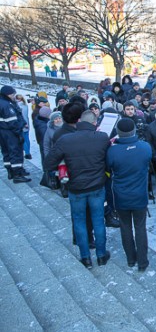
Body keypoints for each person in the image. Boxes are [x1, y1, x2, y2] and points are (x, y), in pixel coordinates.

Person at [45, 110, 111, 268]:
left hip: (76, 188)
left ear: (79, 122)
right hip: (97, 187)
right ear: (95, 123)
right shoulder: (102, 137)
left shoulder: (66, 139)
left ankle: (86, 258)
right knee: (98, 221)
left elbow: (48, 163)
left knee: (79, 222)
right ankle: (101, 255)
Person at [106, 119, 152, 272]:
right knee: (140, 228)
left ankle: (131, 259)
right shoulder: (145, 147)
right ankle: (143, 261)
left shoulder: (112, 151)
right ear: (134, 130)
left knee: (125, 227)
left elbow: (108, 168)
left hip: (121, 196)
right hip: (139, 196)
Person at [0, 86, 31, 183]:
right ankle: (17, 174)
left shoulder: (2, 102)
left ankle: (11, 171)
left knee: (6, 151)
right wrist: (19, 133)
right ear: (8, 94)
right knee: (15, 151)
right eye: (13, 94)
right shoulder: (7, 105)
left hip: (3, 131)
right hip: (10, 132)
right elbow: (12, 121)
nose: (14, 96)